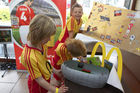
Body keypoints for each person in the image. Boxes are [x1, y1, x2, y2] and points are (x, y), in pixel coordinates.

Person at [21, 14, 68, 93]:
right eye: (48, 36)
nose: (49, 39)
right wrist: (57, 90)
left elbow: (45, 61)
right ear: (39, 35)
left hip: (45, 81)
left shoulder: (42, 45)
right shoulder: (29, 57)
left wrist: (55, 71)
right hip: (36, 87)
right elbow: (39, 80)